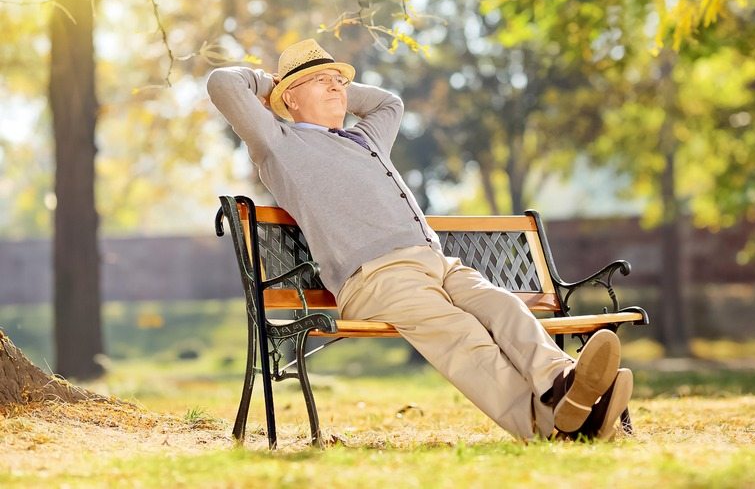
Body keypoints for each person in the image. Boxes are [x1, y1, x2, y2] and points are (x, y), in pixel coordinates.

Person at [207, 38, 633, 441]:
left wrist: (332, 86)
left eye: (339, 79)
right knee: (462, 335)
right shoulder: (280, 143)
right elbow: (222, 83)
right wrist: (272, 86)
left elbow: (389, 102)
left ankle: (563, 384)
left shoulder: (365, 138)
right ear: (291, 98)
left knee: (503, 306)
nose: (336, 85)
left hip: (438, 262)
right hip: (376, 277)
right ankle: (548, 425)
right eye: (321, 80)